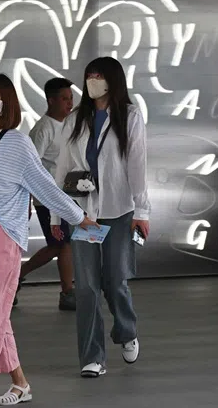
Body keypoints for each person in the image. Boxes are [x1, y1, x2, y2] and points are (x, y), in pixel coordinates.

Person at [0, 72, 97, 408]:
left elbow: (46, 188)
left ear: (6, 102)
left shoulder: (18, 143)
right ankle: (20, 384)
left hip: (4, 235)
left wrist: (80, 219)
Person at [52, 57, 149, 378]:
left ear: (112, 80)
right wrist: (57, 213)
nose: (93, 81)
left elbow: (137, 165)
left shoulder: (130, 116)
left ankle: (126, 330)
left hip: (119, 211)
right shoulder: (76, 118)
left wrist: (142, 210)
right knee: (87, 286)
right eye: (89, 76)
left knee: (115, 280)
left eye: (99, 76)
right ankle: (92, 356)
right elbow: (63, 167)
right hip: (84, 215)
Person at [16, 77, 76, 311]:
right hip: (48, 198)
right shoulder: (42, 129)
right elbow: (29, 166)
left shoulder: (70, 125)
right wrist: (29, 199)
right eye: (64, 99)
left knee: (62, 244)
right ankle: (66, 292)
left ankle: (22, 275)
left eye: (71, 99)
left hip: (67, 195)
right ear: (51, 100)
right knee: (62, 244)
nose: (69, 104)